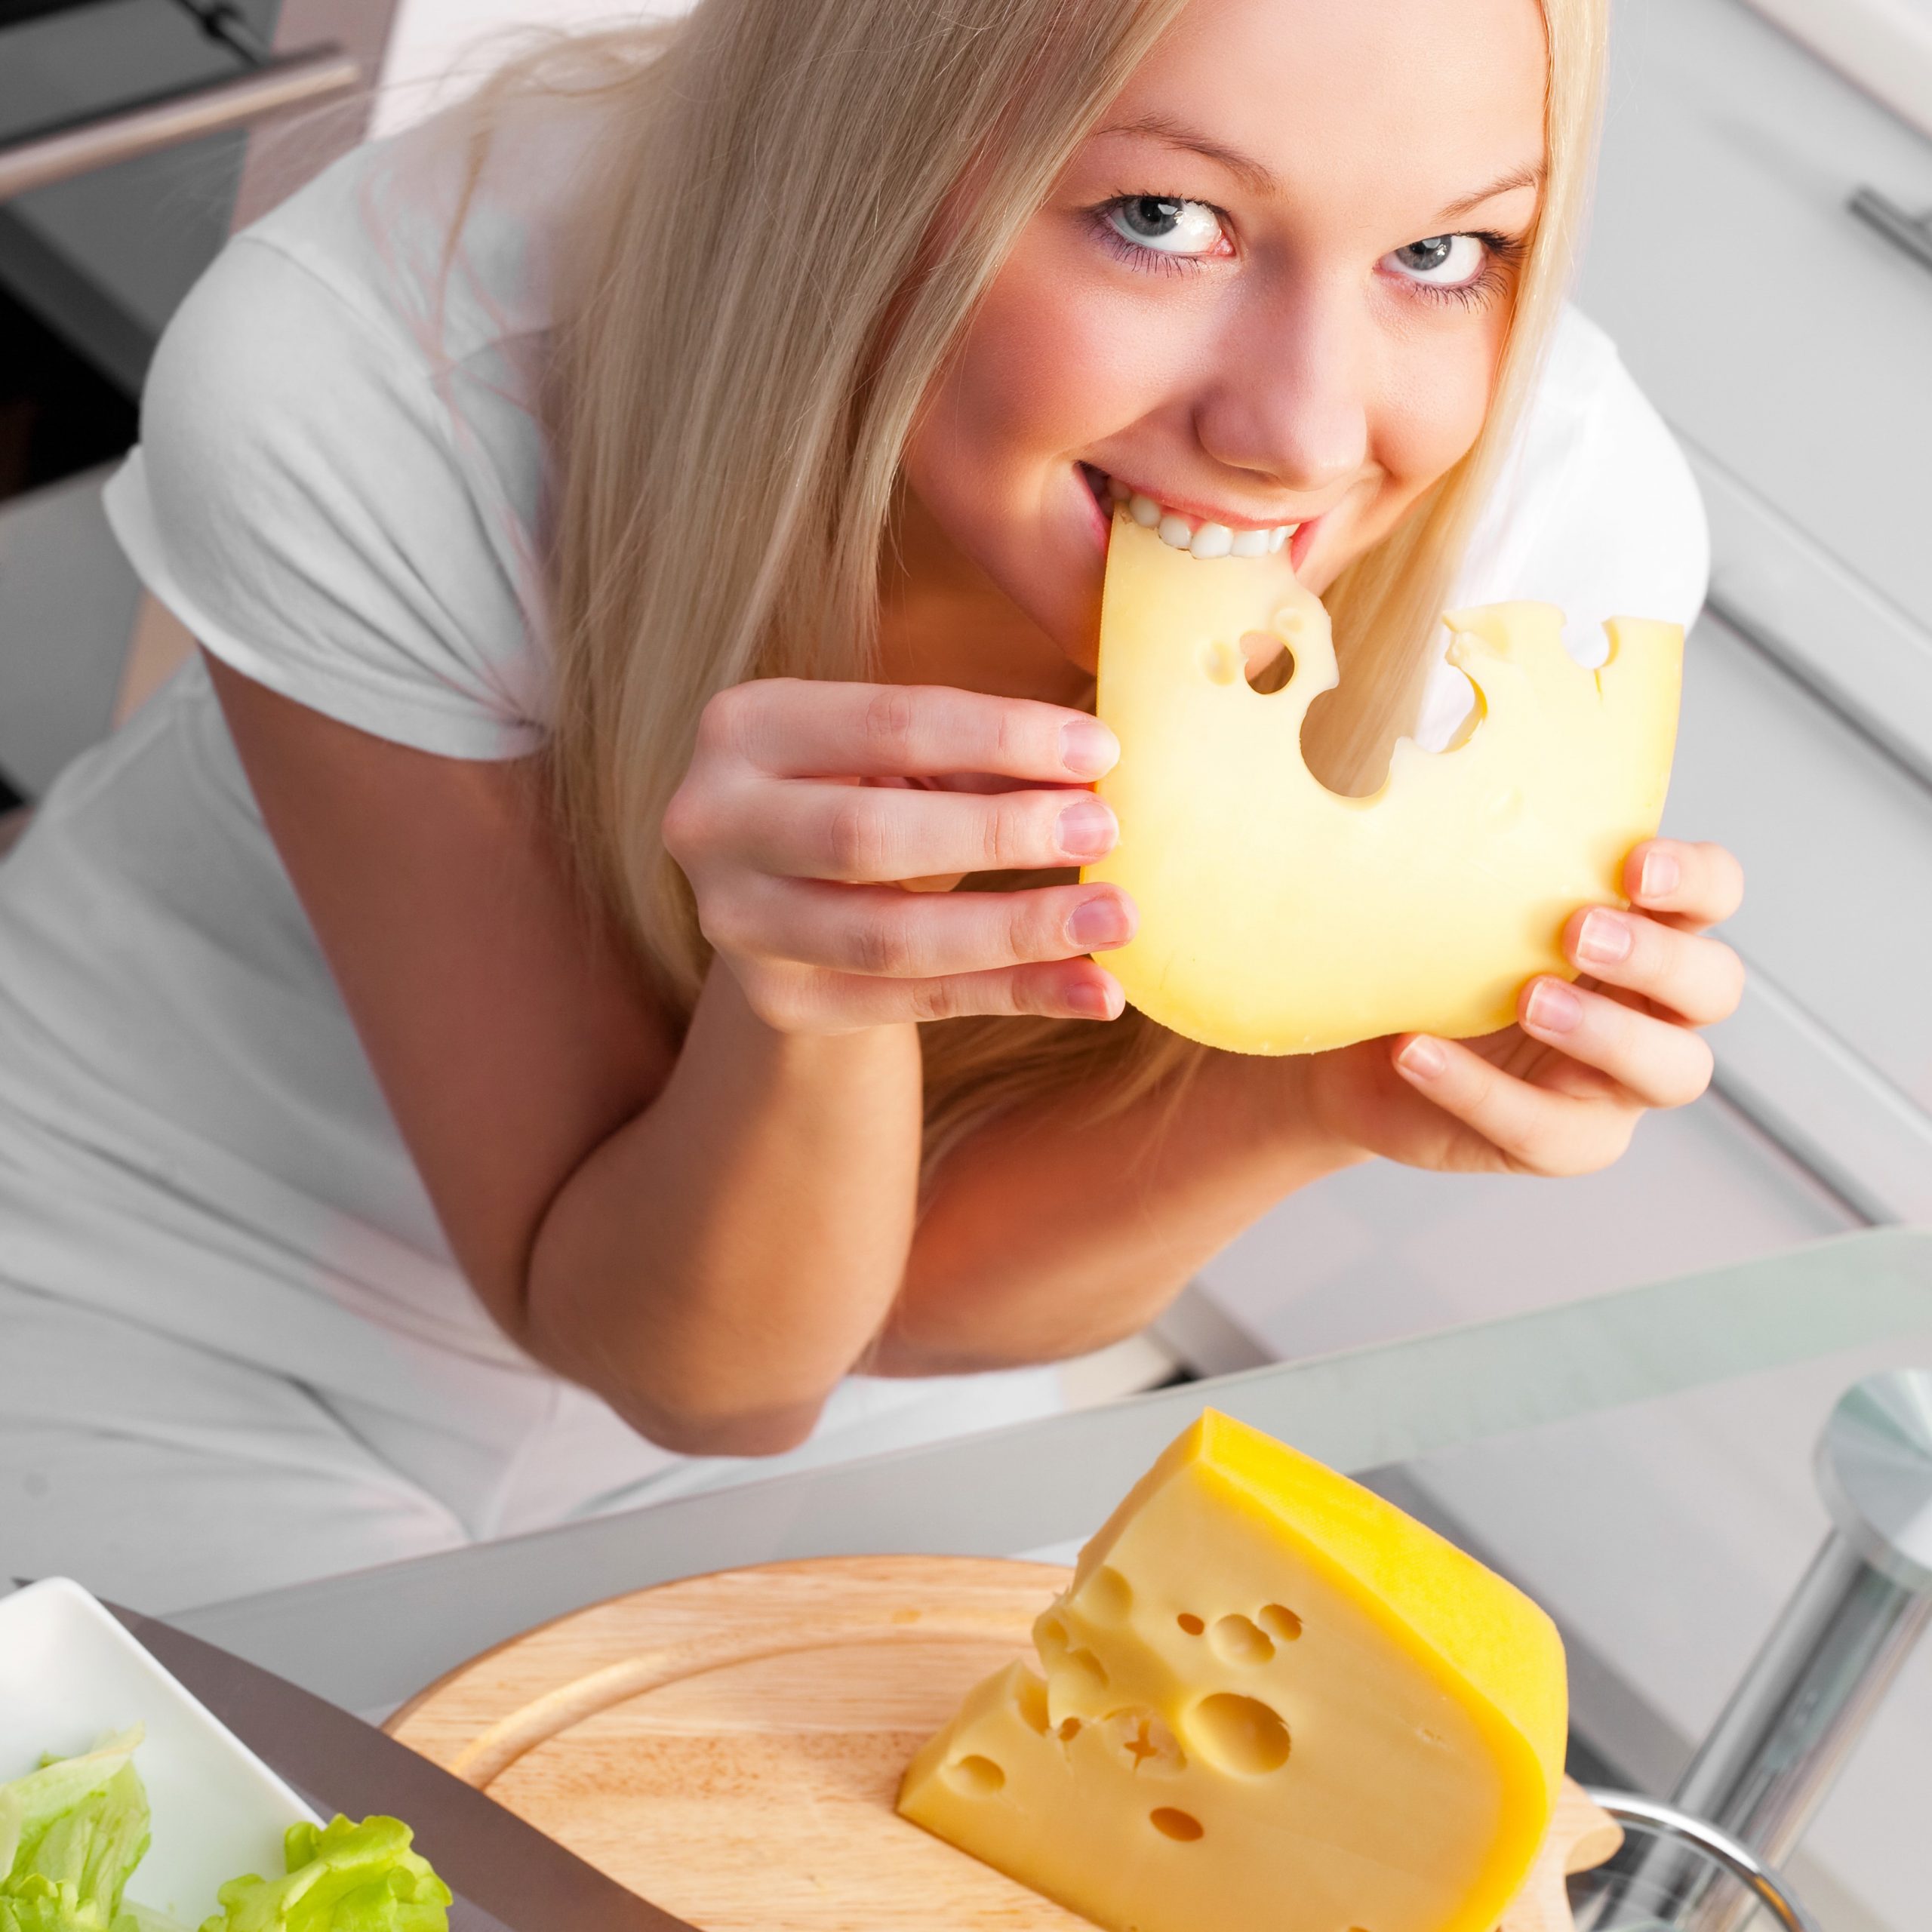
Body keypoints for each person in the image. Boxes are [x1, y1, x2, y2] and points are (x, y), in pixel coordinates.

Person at [0, 0, 1743, 1614]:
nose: (1298, 428)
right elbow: (682, 1362)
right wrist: (811, 998)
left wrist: (1303, 1097)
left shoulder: (1542, 536)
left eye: (1440, 251)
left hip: (816, 1367)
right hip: (148, 1271)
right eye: (1158, 217)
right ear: (869, 154)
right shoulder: (391, 370)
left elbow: (880, 1321)